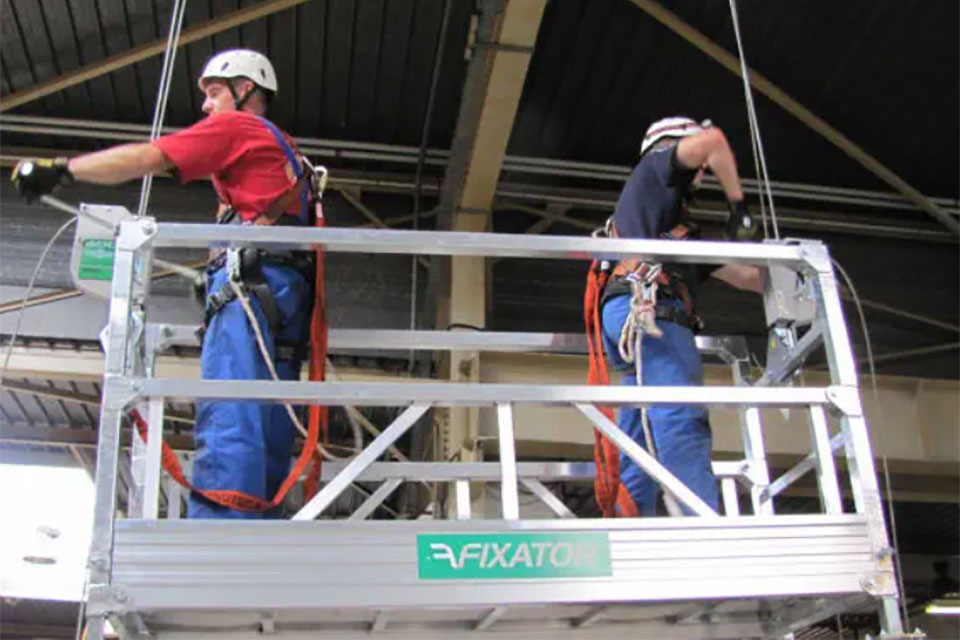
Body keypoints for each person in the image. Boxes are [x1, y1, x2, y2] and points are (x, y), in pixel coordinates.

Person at [12, 49, 316, 519]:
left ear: (246, 91)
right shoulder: (288, 150)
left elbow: (149, 157)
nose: (206, 106)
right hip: (284, 293)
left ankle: (218, 537)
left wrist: (62, 169)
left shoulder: (238, 128)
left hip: (250, 293)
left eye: (215, 92)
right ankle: (254, 530)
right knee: (267, 416)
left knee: (231, 409)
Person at [600, 116, 762, 516]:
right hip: (651, 312)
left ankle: (631, 529)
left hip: (633, 314)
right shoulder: (658, 167)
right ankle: (702, 526)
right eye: (698, 163)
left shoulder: (673, 231)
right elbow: (714, 142)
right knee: (679, 416)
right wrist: (739, 208)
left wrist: (786, 269)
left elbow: (746, 278)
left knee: (641, 429)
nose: (703, 171)